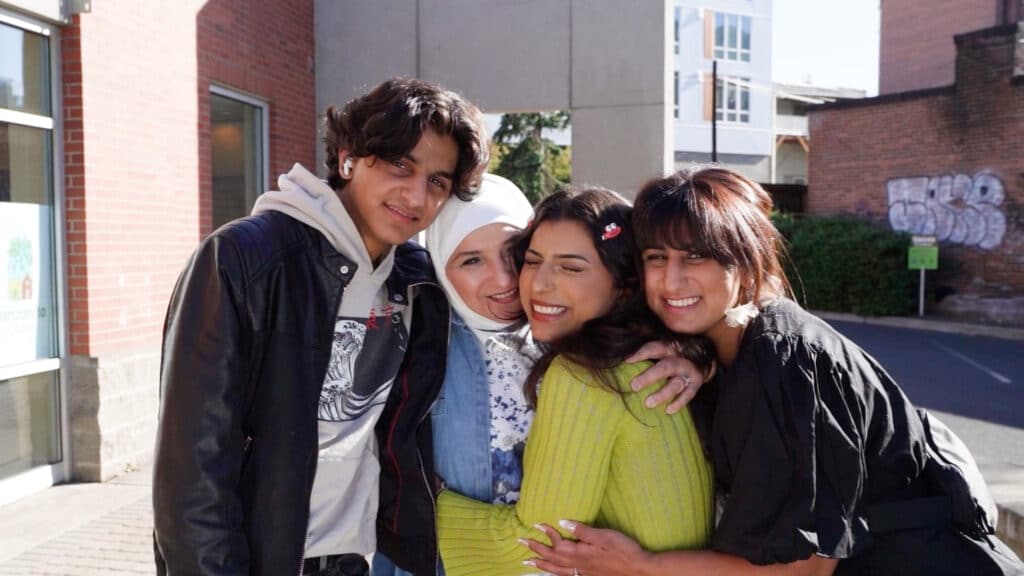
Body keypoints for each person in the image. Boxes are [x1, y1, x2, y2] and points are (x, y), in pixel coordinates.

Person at [526, 167, 1024, 576]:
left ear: (744, 263)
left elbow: (798, 570)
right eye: (656, 257)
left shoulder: (786, 360)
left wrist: (642, 564)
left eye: (697, 257)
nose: (671, 279)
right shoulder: (723, 347)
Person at [152, 77, 491, 576]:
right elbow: (191, 467)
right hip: (257, 559)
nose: (416, 195)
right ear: (350, 154)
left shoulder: (416, 280)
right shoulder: (246, 260)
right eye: (401, 163)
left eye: (438, 182)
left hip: (353, 558)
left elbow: (509, 320)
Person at [372, 176, 711, 576]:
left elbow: (534, 544)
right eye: (532, 260)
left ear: (624, 285)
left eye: (570, 267)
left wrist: (425, 503)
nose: (535, 283)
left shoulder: (590, 372)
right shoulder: (640, 348)